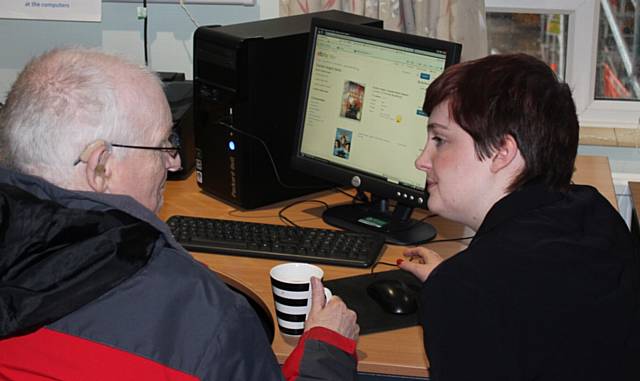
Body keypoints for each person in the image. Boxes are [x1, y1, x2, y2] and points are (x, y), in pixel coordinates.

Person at [0, 48, 359, 380]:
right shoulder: (206, 324)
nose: (173, 163)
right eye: (161, 145)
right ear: (100, 167)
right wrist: (326, 350)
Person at [398, 53, 640, 381]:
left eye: (440, 139)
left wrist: (454, 288)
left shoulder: (466, 291)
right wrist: (456, 278)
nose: (421, 160)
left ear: (502, 152)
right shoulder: (593, 210)